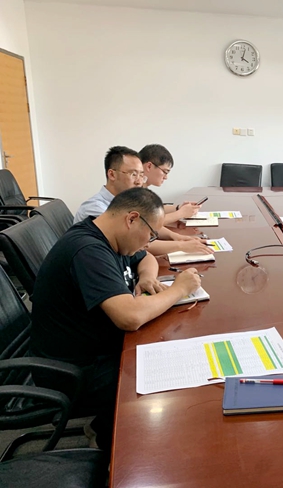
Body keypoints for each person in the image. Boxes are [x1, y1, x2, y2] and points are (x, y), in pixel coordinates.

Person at [31, 187, 202, 449]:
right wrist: (179, 289)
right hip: (72, 370)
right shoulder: (88, 250)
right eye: (150, 235)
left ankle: (104, 426)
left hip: (96, 349)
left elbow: (146, 257)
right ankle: (110, 445)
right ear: (132, 219)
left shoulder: (109, 234)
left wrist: (147, 277)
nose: (148, 243)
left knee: (170, 348)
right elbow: (130, 317)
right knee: (167, 377)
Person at [75, 146, 211, 257]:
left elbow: (146, 228)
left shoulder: (128, 202)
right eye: (133, 174)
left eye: (141, 175)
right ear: (112, 174)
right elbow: (139, 245)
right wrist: (181, 245)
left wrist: (176, 237)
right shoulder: (94, 209)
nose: (139, 181)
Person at [139, 143, 202, 224]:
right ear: (149, 166)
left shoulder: (142, 188)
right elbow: (149, 223)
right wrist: (181, 213)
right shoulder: (133, 190)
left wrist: (179, 208)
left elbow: (153, 209)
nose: (166, 177)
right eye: (165, 172)